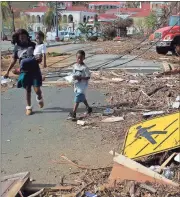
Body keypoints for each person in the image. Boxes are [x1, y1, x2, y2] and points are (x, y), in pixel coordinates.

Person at [4, 29, 44, 116]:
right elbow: (13, 60)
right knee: (27, 90)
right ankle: (29, 107)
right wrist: (7, 71)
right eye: (20, 37)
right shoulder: (17, 47)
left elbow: (39, 54)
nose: (22, 38)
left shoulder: (33, 45)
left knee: (37, 90)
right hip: (25, 72)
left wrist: (40, 59)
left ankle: (39, 97)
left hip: (35, 70)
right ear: (18, 38)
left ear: (27, 36)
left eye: (24, 36)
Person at [68, 50, 92, 120]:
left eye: (81, 58)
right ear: (76, 58)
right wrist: (72, 78)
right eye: (78, 58)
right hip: (76, 84)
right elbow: (73, 74)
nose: (79, 59)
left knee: (77, 99)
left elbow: (88, 77)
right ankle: (88, 107)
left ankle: (73, 113)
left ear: (84, 58)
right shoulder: (74, 66)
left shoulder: (85, 68)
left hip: (82, 86)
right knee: (82, 97)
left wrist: (80, 78)